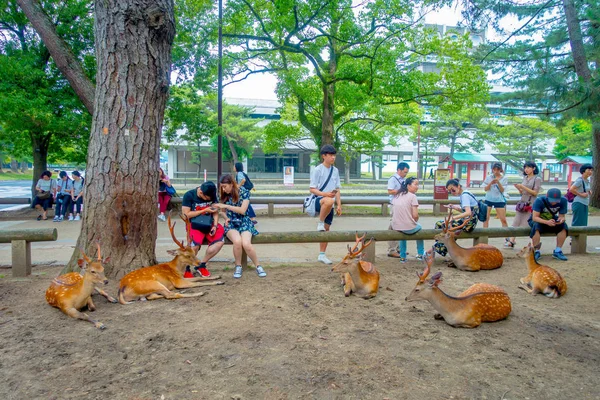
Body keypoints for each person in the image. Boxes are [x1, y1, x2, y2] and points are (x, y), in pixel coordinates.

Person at [213, 174, 266, 279]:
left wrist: (226, 206)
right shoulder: (222, 194)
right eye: (221, 187)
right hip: (231, 222)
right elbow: (223, 212)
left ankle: (258, 266)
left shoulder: (244, 192)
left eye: (225, 186)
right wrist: (226, 218)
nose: (223, 189)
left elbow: (242, 210)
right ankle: (238, 266)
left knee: (246, 243)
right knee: (237, 241)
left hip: (244, 221)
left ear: (232, 184)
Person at [181, 181, 225, 278]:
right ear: (201, 193)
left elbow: (215, 211)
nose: (210, 199)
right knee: (194, 246)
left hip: (210, 224)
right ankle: (187, 267)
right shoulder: (189, 195)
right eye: (208, 198)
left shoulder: (211, 194)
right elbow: (186, 215)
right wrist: (204, 210)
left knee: (219, 242)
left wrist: (215, 225)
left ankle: (202, 264)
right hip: (194, 224)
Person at [309, 144, 342, 265]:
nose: (333, 157)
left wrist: (339, 205)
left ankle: (322, 254)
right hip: (319, 200)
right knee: (328, 201)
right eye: (330, 155)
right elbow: (312, 189)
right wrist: (325, 194)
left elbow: (337, 189)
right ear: (324, 156)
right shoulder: (318, 170)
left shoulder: (335, 170)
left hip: (331, 203)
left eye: (334, 155)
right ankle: (320, 221)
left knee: (326, 230)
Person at [433, 179, 479, 256]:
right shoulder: (466, 193)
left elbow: (468, 212)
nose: (452, 192)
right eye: (450, 191)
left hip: (468, 224)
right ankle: (443, 247)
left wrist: (452, 218)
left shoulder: (464, 196)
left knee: (440, 224)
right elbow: (468, 211)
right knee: (445, 226)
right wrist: (454, 207)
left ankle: (442, 247)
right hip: (470, 222)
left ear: (458, 186)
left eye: (453, 190)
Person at [505, 161, 542, 248]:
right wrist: (519, 189)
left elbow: (535, 193)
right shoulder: (525, 178)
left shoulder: (537, 179)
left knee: (529, 222)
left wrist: (523, 187)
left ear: (534, 168)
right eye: (525, 168)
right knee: (517, 221)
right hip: (523, 201)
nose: (526, 169)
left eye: (529, 167)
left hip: (531, 202)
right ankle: (512, 241)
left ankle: (533, 243)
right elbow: (523, 192)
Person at [529, 188, 568, 261]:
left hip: (551, 218)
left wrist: (561, 220)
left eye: (556, 200)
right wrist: (546, 222)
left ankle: (558, 250)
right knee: (536, 227)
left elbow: (562, 215)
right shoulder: (539, 201)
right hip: (538, 219)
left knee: (563, 226)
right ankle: (536, 251)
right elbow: (535, 217)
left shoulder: (563, 201)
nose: (554, 203)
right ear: (547, 197)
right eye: (552, 200)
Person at [391, 177, 424, 263]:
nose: (417, 187)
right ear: (408, 185)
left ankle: (403, 256)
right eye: (415, 184)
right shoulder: (412, 196)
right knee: (420, 229)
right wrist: (415, 221)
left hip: (396, 226)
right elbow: (415, 215)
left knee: (402, 234)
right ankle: (420, 254)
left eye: (418, 184)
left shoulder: (397, 195)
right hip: (408, 227)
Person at [386, 162, 410, 258]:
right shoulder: (393, 179)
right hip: (395, 205)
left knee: (401, 226)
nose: (405, 174)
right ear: (399, 170)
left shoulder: (404, 180)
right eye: (404, 172)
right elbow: (390, 191)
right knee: (394, 226)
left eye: (406, 172)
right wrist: (401, 190)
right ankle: (391, 249)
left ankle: (399, 248)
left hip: (402, 205)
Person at [482, 162, 508, 229]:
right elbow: (485, 189)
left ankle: (506, 236)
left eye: (498, 170)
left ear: (500, 170)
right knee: (486, 219)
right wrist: (491, 183)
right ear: (492, 169)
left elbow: (502, 190)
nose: (496, 171)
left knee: (503, 219)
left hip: (499, 200)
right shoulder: (489, 177)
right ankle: (485, 236)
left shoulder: (504, 178)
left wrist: (498, 182)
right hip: (489, 199)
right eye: (494, 170)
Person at [570, 163, 593, 227]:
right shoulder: (579, 180)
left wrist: (589, 191)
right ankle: (575, 236)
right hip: (579, 202)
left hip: (585, 203)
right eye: (588, 170)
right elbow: (571, 189)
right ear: (583, 171)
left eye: (591, 170)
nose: (590, 172)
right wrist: (581, 194)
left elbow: (585, 188)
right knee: (578, 221)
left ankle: (581, 236)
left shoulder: (587, 180)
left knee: (583, 221)